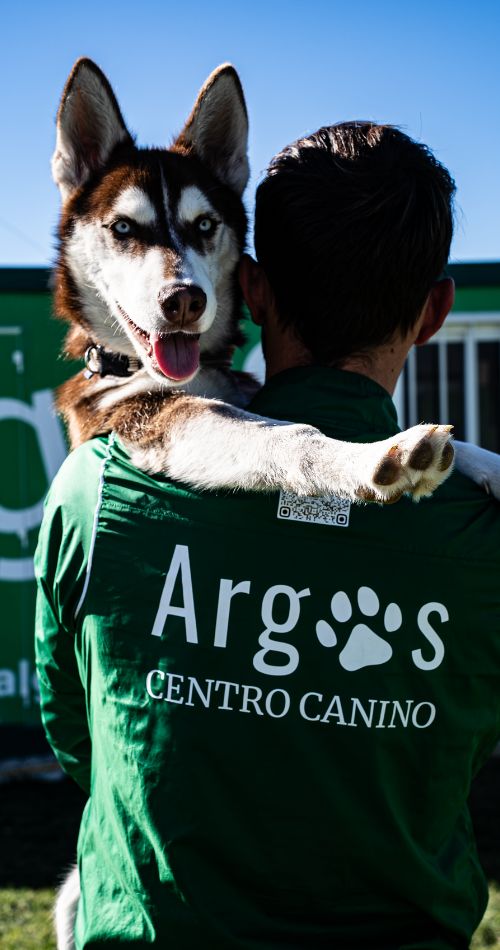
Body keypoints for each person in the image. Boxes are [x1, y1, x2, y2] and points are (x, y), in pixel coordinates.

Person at [35, 122, 500, 949]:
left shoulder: (91, 494)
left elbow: (78, 732)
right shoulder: (483, 532)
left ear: (247, 288)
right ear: (435, 311)